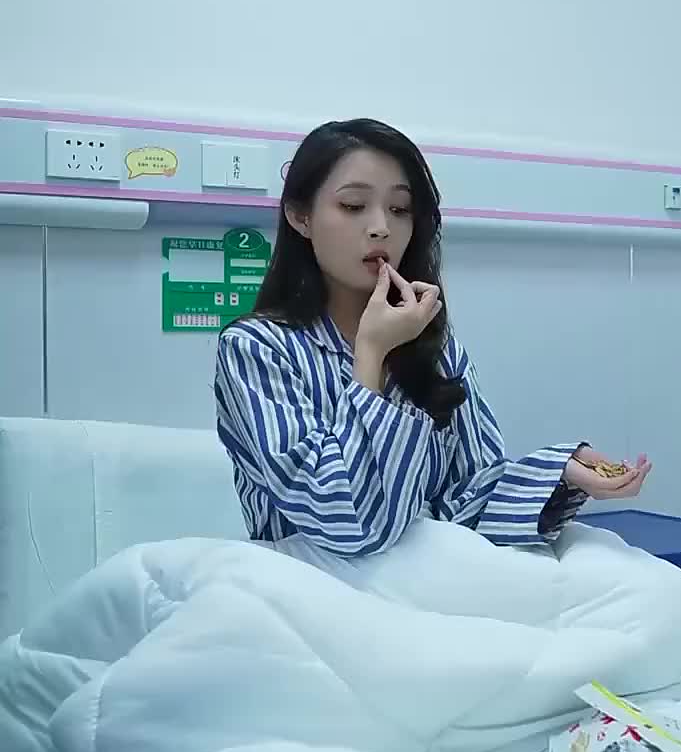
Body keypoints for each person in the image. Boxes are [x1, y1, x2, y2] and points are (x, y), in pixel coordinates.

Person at [214, 118, 650, 560]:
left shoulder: (435, 349)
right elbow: (347, 525)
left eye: (400, 209)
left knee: (632, 575)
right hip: (310, 581)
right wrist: (371, 353)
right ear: (300, 217)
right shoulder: (256, 350)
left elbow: (468, 503)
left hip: (427, 577)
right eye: (353, 206)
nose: (381, 227)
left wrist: (562, 473)